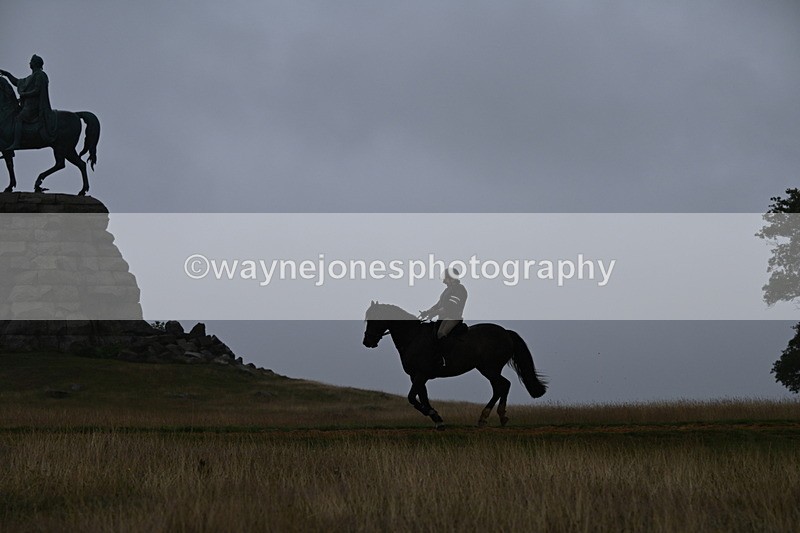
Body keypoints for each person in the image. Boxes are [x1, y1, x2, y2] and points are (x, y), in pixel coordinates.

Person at [0, 54, 57, 150]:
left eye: (31, 61)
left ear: (35, 64)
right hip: (27, 106)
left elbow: (37, 90)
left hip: (34, 106)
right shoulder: (31, 77)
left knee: (19, 118)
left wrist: (24, 95)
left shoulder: (40, 75)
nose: (29, 63)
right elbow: (17, 82)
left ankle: (16, 143)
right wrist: (7, 74)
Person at [419, 266, 468, 340]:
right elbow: (438, 305)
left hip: (452, 318)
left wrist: (434, 313)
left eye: (445, 279)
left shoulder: (459, 289)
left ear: (451, 278)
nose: (443, 281)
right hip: (443, 318)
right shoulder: (447, 291)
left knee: (441, 334)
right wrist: (427, 312)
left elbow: (450, 307)